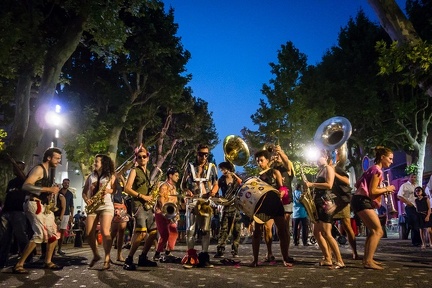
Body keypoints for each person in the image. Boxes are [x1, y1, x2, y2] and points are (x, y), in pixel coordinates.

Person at [12, 147, 62, 274]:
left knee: (54, 233)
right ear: (49, 158)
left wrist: (50, 192)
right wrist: (49, 189)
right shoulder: (39, 169)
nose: (58, 161)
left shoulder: (49, 171)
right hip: (34, 204)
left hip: (44, 205)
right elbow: (26, 186)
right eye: (57, 158)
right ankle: (19, 264)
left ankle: (48, 261)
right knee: (39, 234)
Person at [351, 146, 395, 270]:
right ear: (382, 157)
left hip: (359, 200)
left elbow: (357, 184)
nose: (392, 161)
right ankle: (368, 261)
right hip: (362, 200)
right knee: (378, 231)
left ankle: (367, 259)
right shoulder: (377, 170)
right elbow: (372, 191)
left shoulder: (371, 169)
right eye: (390, 159)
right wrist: (387, 188)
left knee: (373, 231)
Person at [249, 149, 291, 267]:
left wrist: (282, 193)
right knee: (257, 233)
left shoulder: (275, 171)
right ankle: (255, 260)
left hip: (276, 205)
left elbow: (282, 187)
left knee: (282, 232)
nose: (259, 163)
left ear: (267, 160)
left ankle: (285, 258)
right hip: (262, 207)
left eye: (261, 160)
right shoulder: (257, 177)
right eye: (257, 161)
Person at [304, 150, 345, 270]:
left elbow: (329, 185)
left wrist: (312, 184)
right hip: (318, 202)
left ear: (326, 157)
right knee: (317, 233)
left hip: (325, 202)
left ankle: (339, 261)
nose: (317, 160)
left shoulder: (329, 168)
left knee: (327, 233)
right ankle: (327, 258)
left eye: (319, 157)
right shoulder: (320, 170)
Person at [181, 144, 219, 269]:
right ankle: (191, 257)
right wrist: (187, 191)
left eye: (206, 154)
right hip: (193, 201)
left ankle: (204, 257)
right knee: (190, 230)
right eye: (201, 154)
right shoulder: (189, 167)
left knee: (206, 230)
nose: (203, 156)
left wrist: (213, 191)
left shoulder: (212, 167)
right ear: (196, 154)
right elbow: (183, 185)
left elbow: (216, 183)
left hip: (206, 202)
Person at [123, 145, 158, 270]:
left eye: (144, 156)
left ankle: (143, 257)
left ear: (148, 158)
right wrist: (142, 196)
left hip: (147, 205)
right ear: (136, 159)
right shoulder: (134, 170)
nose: (142, 158)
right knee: (141, 233)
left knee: (154, 232)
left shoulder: (148, 172)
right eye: (139, 157)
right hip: (138, 205)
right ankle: (129, 259)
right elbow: (127, 188)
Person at [82, 154, 116, 270]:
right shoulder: (90, 176)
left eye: (96, 161)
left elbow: (115, 190)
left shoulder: (110, 176)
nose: (94, 163)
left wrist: (108, 190)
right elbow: (84, 192)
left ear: (103, 163)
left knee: (105, 232)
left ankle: (107, 258)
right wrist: (87, 200)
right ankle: (96, 255)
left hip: (106, 205)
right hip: (93, 206)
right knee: (89, 233)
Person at [331, 149, 359, 260]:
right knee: (327, 227)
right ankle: (330, 254)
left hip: (341, 201)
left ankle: (355, 252)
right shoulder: (327, 168)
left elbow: (346, 181)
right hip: (331, 201)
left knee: (347, 226)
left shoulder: (337, 168)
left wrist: (333, 173)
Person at [0, 160, 29, 268]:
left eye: (17, 167)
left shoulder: (25, 181)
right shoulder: (11, 182)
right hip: (7, 211)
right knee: (4, 238)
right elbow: (7, 195)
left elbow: (21, 175)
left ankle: (27, 258)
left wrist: (12, 161)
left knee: (21, 236)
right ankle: (2, 261)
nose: (14, 169)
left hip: (18, 212)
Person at [214, 161, 242, 258]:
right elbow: (215, 190)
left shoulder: (235, 178)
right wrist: (212, 195)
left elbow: (242, 184)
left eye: (224, 169)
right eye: (221, 169)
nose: (223, 171)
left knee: (236, 230)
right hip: (226, 206)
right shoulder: (221, 179)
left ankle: (235, 250)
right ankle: (220, 250)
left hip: (236, 206)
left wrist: (233, 174)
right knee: (224, 229)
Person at [154, 167, 182, 263]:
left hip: (171, 213)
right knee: (164, 234)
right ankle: (157, 253)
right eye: (176, 175)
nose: (178, 177)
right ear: (170, 175)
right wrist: (166, 212)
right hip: (161, 213)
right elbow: (161, 201)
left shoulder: (173, 187)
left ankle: (168, 251)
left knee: (174, 232)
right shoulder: (164, 186)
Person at [270, 145, 295, 252]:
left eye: (279, 154)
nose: (277, 156)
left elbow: (286, 161)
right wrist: (271, 160)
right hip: (275, 201)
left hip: (286, 199)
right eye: (276, 154)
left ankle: (286, 252)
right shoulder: (273, 169)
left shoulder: (287, 168)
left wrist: (280, 152)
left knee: (284, 228)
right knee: (277, 229)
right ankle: (271, 252)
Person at [397, 173, 421, 246]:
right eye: (412, 177)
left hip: (418, 206)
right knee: (414, 223)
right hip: (410, 206)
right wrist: (408, 203)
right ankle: (415, 241)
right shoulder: (404, 186)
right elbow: (399, 196)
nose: (413, 178)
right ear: (408, 177)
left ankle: (419, 241)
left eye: (414, 177)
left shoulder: (417, 186)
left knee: (418, 223)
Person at [110, 174, 130, 262]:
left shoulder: (120, 183)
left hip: (122, 207)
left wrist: (121, 177)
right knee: (113, 232)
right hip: (114, 206)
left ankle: (119, 255)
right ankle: (108, 255)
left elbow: (127, 189)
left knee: (122, 231)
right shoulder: (110, 181)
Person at [56, 178, 74, 256]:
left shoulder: (70, 194)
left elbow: (71, 205)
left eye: (68, 183)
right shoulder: (58, 192)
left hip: (66, 214)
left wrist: (71, 215)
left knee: (62, 232)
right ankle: (52, 248)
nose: (66, 184)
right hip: (57, 213)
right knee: (55, 231)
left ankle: (59, 249)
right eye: (65, 183)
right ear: (62, 183)